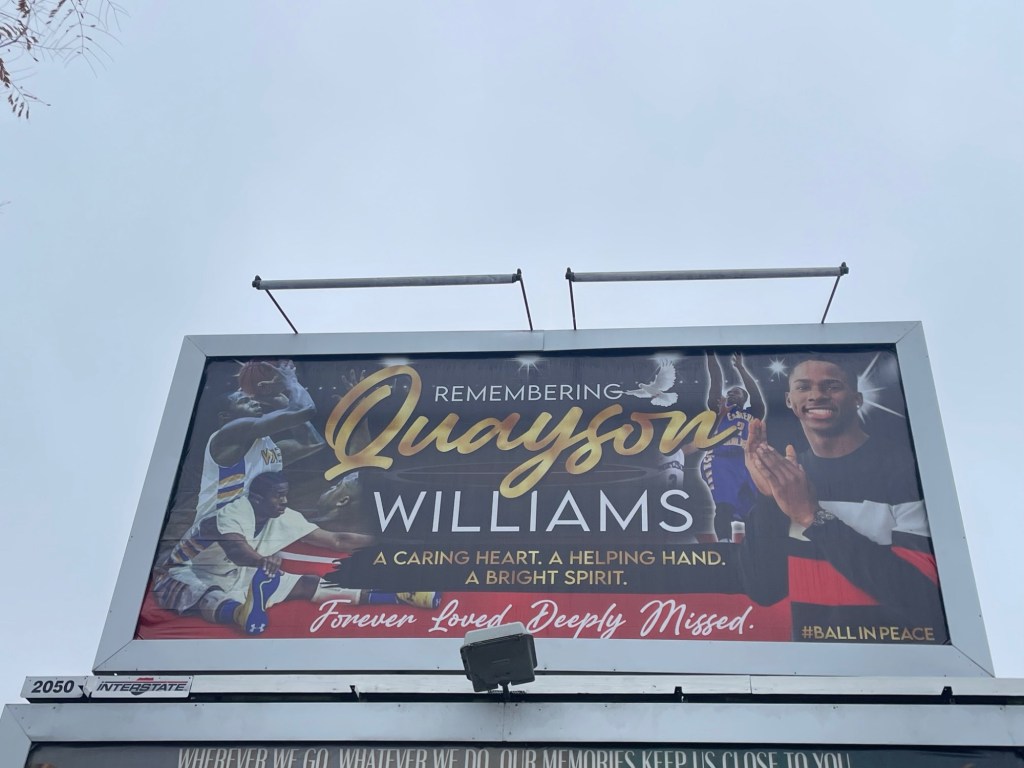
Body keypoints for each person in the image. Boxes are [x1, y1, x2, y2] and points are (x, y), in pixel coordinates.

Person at [739, 355, 946, 642]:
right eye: (803, 387)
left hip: (899, 657)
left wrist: (813, 517)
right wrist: (768, 499)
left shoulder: (905, 471)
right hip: (813, 661)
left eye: (832, 386)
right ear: (789, 400)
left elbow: (921, 597)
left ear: (857, 399)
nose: (816, 395)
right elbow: (765, 590)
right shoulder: (790, 476)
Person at [154, 472, 440, 635]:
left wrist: (389, 542)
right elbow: (237, 550)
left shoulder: (283, 515)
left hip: (240, 574)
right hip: (183, 572)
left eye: (285, 494)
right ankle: (239, 614)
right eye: (278, 496)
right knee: (209, 594)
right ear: (257, 499)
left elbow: (337, 540)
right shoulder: (233, 513)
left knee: (308, 583)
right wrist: (263, 561)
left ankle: (399, 594)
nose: (284, 501)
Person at [193, 360, 325, 526]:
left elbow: (312, 443)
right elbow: (305, 410)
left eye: (251, 399)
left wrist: (277, 399)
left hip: (247, 528)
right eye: (243, 401)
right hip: (214, 529)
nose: (254, 402)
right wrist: (291, 381)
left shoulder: (264, 447)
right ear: (225, 417)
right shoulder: (227, 434)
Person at [700, 351, 766, 541]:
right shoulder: (719, 410)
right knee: (724, 504)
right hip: (720, 459)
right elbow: (716, 381)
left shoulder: (753, 413)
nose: (730, 393)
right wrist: (710, 355)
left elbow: (755, 394)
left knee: (754, 508)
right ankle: (724, 544)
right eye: (729, 392)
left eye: (736, 392)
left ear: (744, 398)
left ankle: (754, 545)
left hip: (745, 460)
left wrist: (740, 368)